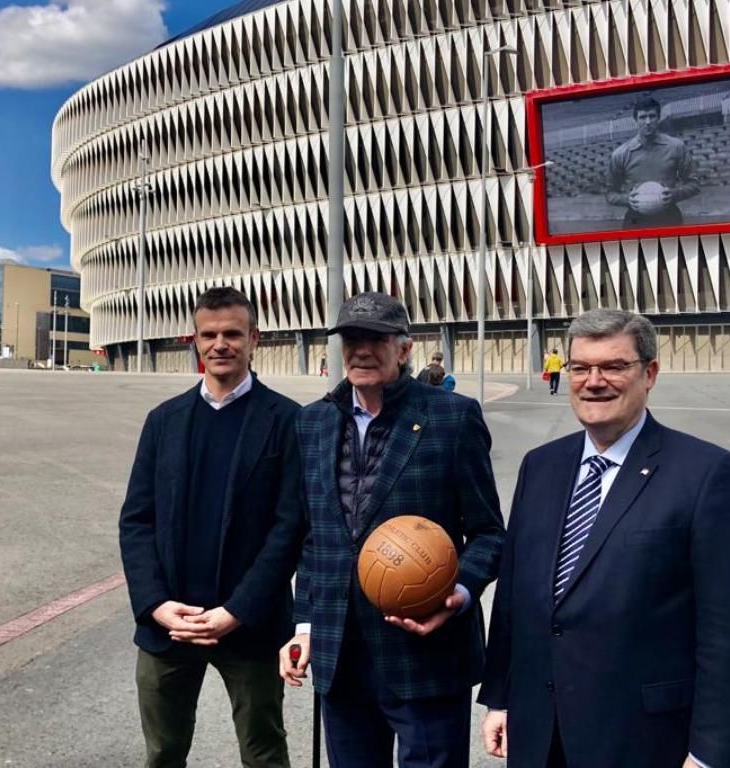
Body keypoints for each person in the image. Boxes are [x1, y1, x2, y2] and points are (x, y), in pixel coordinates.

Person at [479, 308, 730, 768]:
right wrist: (500, 697)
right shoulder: (541, 465)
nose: (594, 382)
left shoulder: (707, 474)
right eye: (580, 367)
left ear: (649, 373)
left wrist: (710, 755)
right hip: (538, 731)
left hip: (643, 740)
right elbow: (515, 595)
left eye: (614, 367)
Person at [279, 291, 505, 768]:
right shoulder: (313, 422)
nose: (361, 351)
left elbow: (489, 533)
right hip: (341, 656)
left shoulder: (452, 417)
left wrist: (457, 594)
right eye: (352, 340)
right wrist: (305, 626)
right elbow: (315, 539)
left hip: (425, 652)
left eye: (376, 340)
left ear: (404, 349)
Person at [119, 286, 304, 768]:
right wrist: (156, 605)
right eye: (209, 335)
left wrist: (237, 610)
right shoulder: (164, 421)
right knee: (163, 753)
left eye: (232, 334)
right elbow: (137, 521)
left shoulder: (288, 421)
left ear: (254, 339)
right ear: (195, 341)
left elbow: (289, 529)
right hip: (171, 624)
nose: (220, 344)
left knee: (263, 752)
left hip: (250, 624)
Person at [606, 95, 700, 229]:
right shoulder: (621, 154)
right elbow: (610, 194)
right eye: (642, 117)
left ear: (659, 118)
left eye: (652, 116)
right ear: (635, 120)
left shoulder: (676, 147)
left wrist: (674, 194)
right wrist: (627, 199)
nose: (648, 122)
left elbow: (694, 184)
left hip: (669, 217)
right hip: (636, 220)